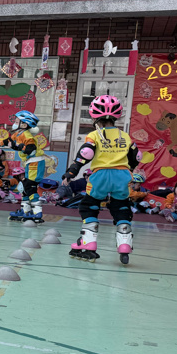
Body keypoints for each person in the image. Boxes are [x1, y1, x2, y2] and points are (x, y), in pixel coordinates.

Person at [63, 94, 139, 264]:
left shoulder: (94, 135)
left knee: (89, 206)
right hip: (122, 176)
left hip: (100, 176)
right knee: (121, 207)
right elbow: (136, 156)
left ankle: (88, 242)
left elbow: (85, 154)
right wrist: (130, 169)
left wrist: (71, 173)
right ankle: (124, 244)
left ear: (94, 117)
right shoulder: (125, 136)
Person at [6, 110, 52, 223]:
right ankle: (25, 210)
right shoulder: (20, 134)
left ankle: (37, 212)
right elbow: (10, 142)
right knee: (25, 187)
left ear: (24, 124)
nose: (14, 123)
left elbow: (30, 149)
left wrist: (16, 147)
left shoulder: (27, 135)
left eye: (17, 121)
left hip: (35, 163)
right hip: (30, 163)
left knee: (30, 186)